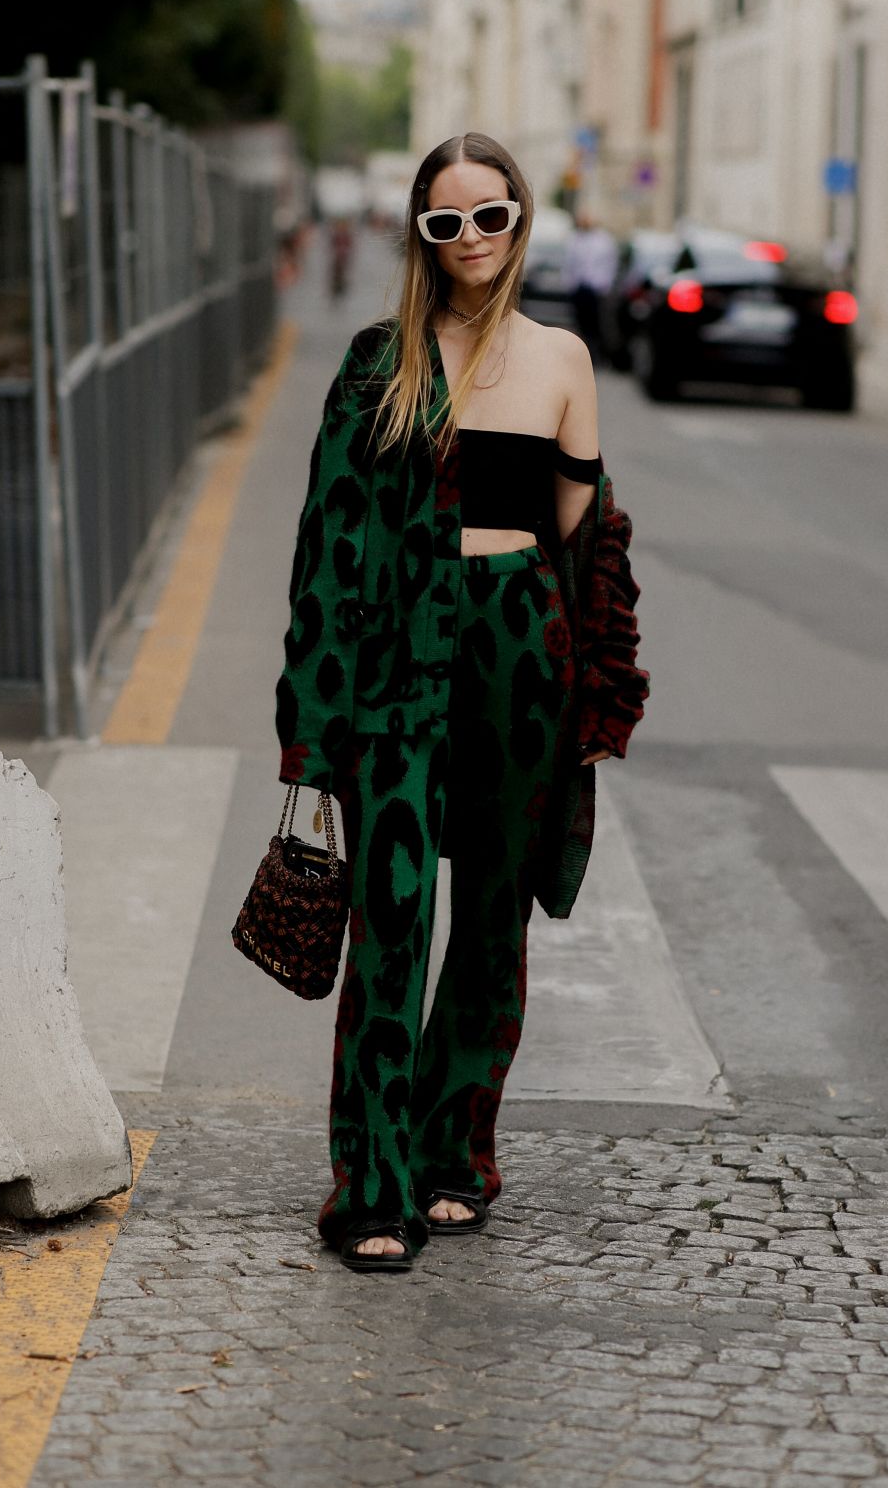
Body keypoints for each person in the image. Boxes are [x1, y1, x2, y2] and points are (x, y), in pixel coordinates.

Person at [274, 132, 650, 1272]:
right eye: (448, 222)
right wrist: (313, 720)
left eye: (493, 216)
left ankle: (456, 1154)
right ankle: (369, 1187)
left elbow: (591, 547)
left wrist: (596, 696)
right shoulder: (376, 361)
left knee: (490, 924)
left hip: (519, 656)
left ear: (522, 220)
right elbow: (328, 552)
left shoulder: (564, 361)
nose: (473, 239)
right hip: (398, 659)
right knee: (390, 920)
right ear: (421, 235)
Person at [562, 209, 618, 359]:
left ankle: (595, 352)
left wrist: (605, 285)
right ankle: (583, 349)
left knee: (595, 322)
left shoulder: (604, 240)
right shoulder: (575, 239)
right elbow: (569, 263)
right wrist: (570, 283)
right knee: (580, 321)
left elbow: (610, 264)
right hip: (579, 287)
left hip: (596, 287)